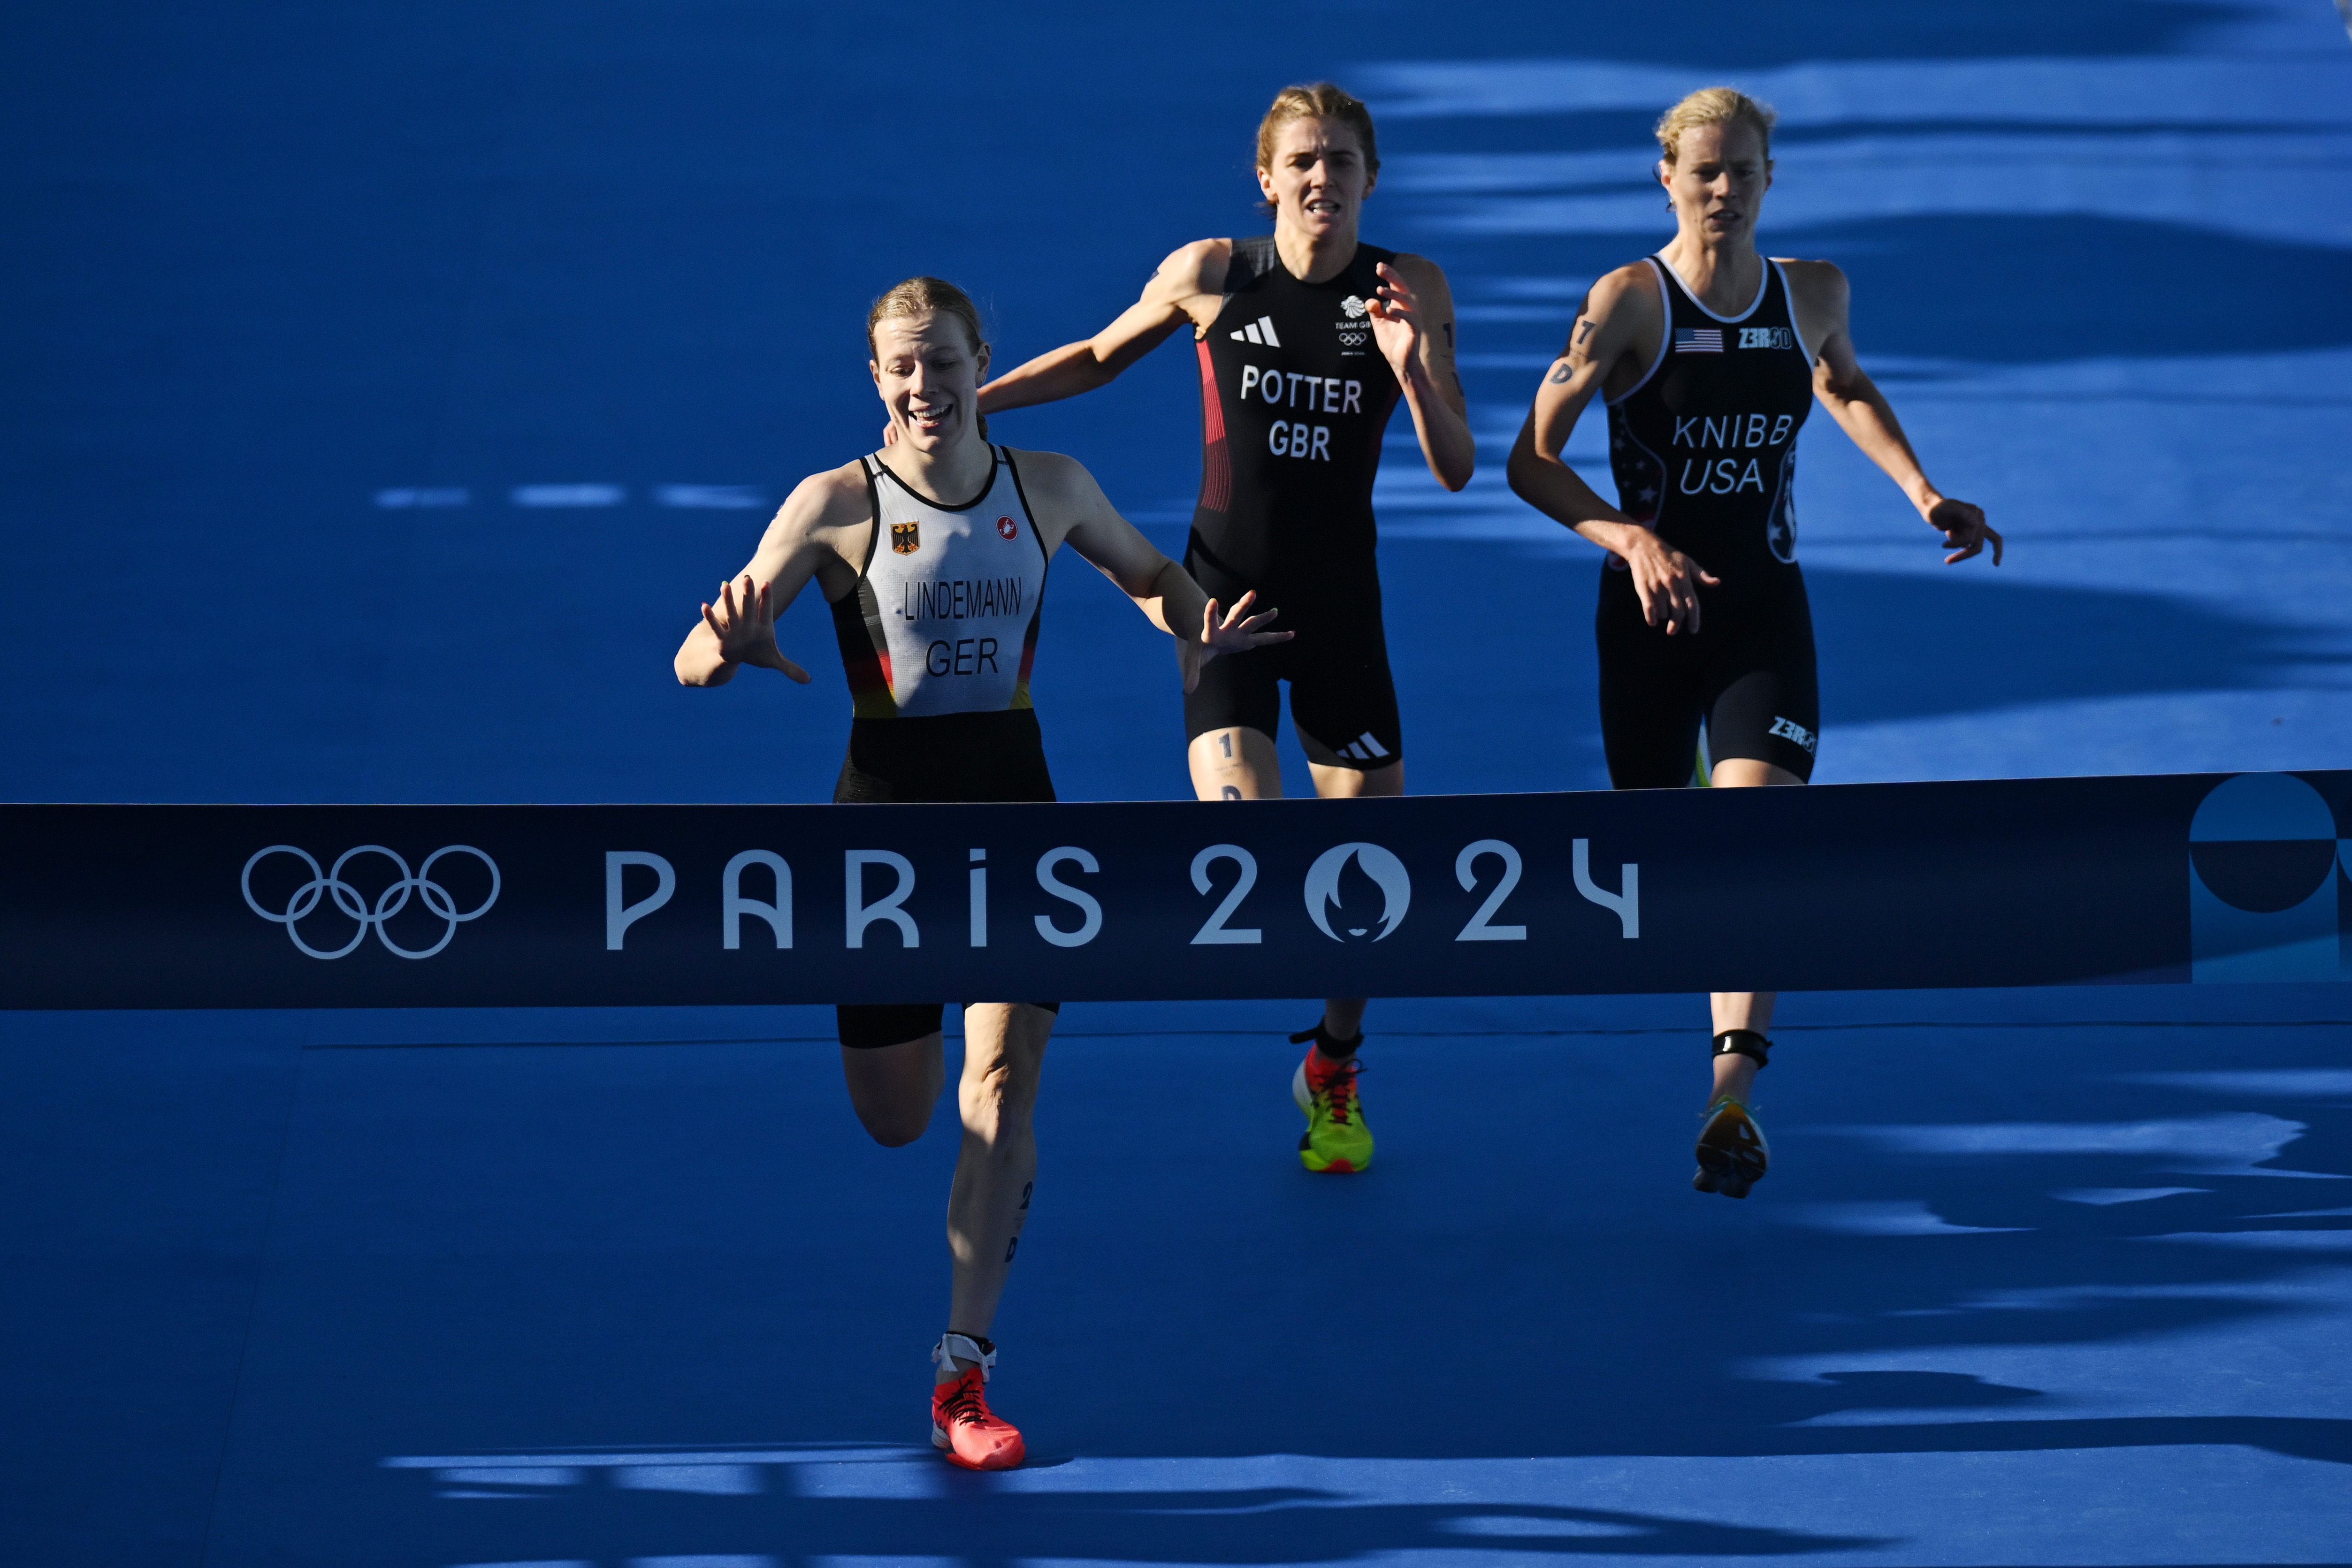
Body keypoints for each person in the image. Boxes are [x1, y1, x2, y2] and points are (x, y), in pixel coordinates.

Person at [673, 277, 1285, 1469]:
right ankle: (938, 1175)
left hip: (1020, 833)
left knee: (1000, 1093)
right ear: (876, 381)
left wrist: (1195, 624)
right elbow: (696, 650)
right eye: (902, 369)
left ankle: (964, 1375)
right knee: (898, 1121)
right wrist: (731, 650)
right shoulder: (835, 504)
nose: (924, 389)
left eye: (943, 365)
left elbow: (1154, 577)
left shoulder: (1047, 487)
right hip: (883, 852)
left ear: (979, 361)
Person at [1504, 88, 2001, 1199]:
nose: (1722, 191)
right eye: (1702, 173)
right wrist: (1631, 539)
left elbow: (1843, 381)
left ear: (1770, 180)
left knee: (1753, 832)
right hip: (1649, 620)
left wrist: (1924, 493)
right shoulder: (1629, 300)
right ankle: (1693, 805)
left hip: (1762, 614)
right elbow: (1532, 459)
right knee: (1662, 857)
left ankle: (1731, 1093)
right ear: (1665, 180)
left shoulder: (1811, 292)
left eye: (1741, 173)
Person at [977, 82, 1475, 1176]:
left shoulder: (1409, 288)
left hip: (1345, 618)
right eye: (1302, 160)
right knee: (1257, 855)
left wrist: (1408, 370)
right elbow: (1102, 356)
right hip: (1223, 615)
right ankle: (1322, 1042)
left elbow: (1455, 466)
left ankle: (1334, 1063)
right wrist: (979, 404)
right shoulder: (1212, 276)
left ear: (1368, 179)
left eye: (1342, 162)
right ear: (1268, 178)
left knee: (1367, 888)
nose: (1321, 179)